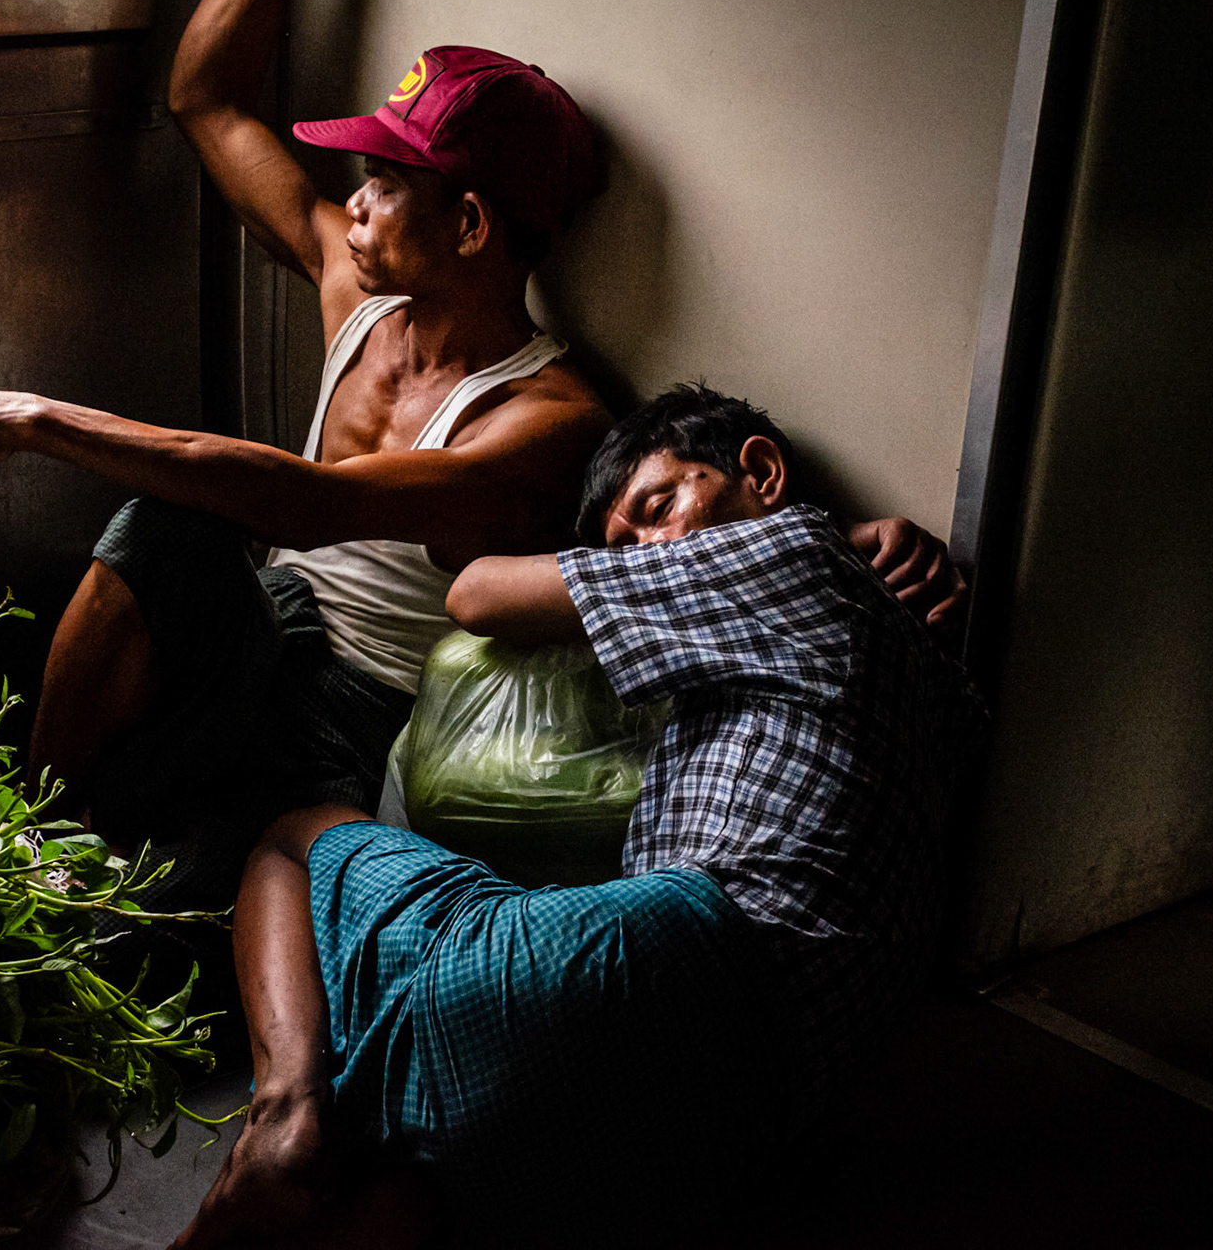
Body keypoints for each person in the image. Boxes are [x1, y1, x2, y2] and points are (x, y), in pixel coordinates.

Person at [0, 0, 965, 874]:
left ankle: (134, 851)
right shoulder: (362, 289)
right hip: (262, 624)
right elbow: (204, 98)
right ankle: (13, 838)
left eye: (387, 181)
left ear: (473, 223)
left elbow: (321, 502)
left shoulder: (551, 417)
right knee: (165, 537)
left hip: (353, 707)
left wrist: (34, 416)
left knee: (185, 892)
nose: (357, 202)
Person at [171, 385, 987, 1249]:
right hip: (762, 1112)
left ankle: (285, 1116)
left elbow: (477, 593)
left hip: (683, 953)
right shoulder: (942, 689)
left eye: (657, 507)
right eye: (623, 546)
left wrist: (834, 537)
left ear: (760, 471)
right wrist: (864, 543)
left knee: (292, 840)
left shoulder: (788, 549)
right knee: (420, 1196)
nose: (644, 554)